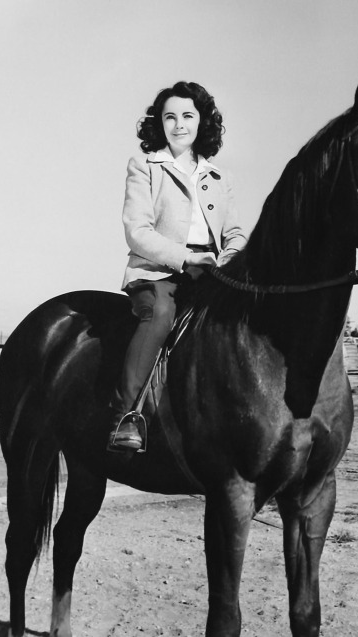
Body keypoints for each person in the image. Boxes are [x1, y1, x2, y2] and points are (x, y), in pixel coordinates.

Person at [108, 81, 247, 452]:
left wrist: (228, 261)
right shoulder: (144, 165)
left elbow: (234, 234)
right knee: (160, 315)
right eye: (170, 117)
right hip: (158, 273)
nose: (179, 124)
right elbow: (137, 231)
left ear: (203, 122)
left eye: (188, 115)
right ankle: (125, 416)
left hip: (212, 274)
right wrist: (186, 258)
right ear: (160, 123)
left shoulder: (220, 178)